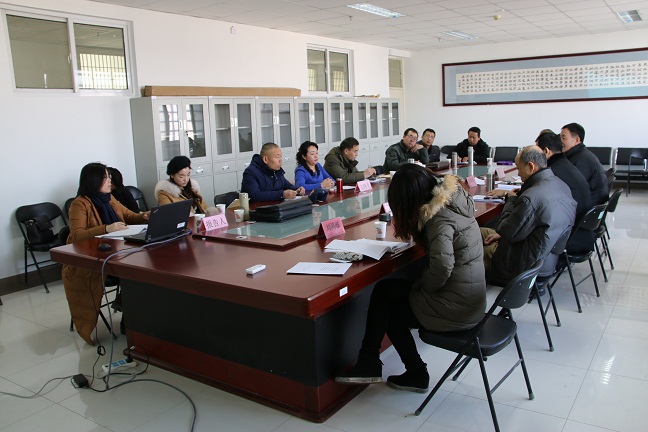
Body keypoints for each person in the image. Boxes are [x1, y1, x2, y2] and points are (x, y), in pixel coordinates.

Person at [336, 165, 486, 393]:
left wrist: (422, 288)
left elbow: (443, 267)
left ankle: (410, 371)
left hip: (457, 308)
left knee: (390, 311)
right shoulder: (454, 204)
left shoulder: (439, 221)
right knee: (386, 289)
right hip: (468, 299)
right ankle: (371, 361)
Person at [63, 163, 149, 345]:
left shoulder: (109, 199)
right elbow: (76, 235)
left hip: (118, 252)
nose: (110, 181)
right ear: (94, 180)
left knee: (145, 268)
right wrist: (106, 228)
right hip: (94, 259)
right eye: (105, 177)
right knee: (136, 274)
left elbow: (129, 216)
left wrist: (144, 216)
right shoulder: (79, 204)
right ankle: (128, 316)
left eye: (109, 177)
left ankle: (127, 309)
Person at [481, 146, 577, 282]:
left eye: (519, 168)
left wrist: (511, 200)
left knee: (469, 249)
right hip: (547, 257)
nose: (518, 173)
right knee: (479, 232)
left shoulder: (530, 197)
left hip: (520, 265)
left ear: (531, 166)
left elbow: (506, 231)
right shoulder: (561, 185)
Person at [560, 122, 609, 205]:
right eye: (560, 138)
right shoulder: (580, 154)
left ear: (577, 140)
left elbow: (572, 187)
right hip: (591, 199)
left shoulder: (581, 160)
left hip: (589, 204)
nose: (560, 142)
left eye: (563, 138)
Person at [241, 142, 305, 202]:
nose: (280, 160)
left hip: (276, 206)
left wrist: (297, 190)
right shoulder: (251, 172)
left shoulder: (276, 170)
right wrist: (282, 194)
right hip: (257, 208)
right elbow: (254, 195)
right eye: (277, 157)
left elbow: (285, 184)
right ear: (265, 159)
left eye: (281, 156)